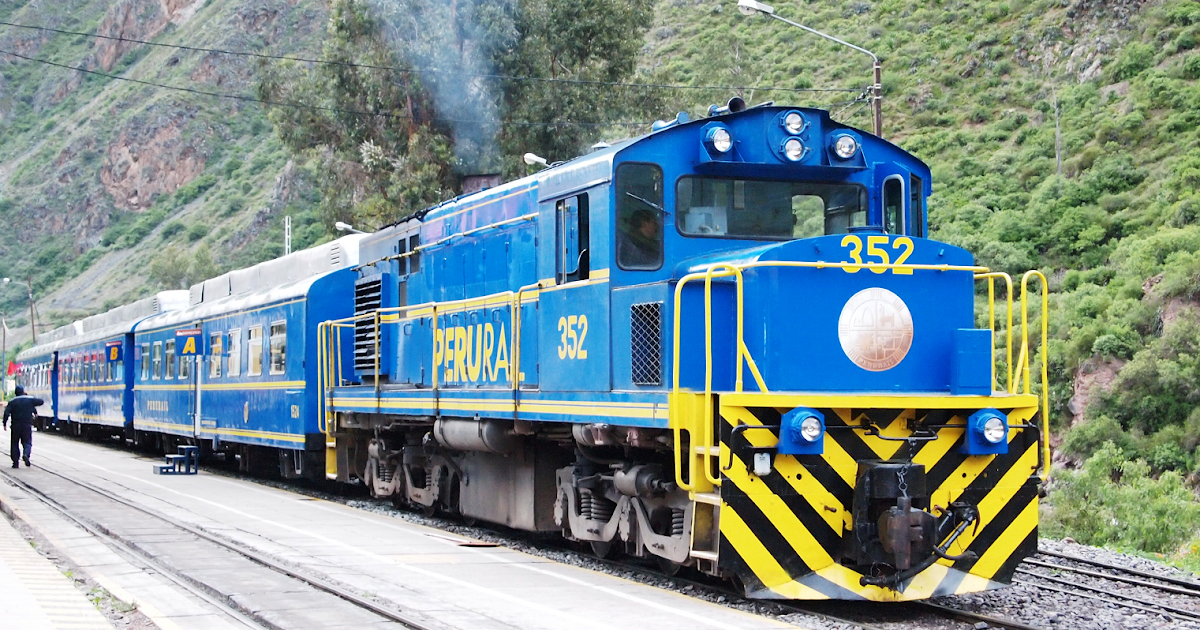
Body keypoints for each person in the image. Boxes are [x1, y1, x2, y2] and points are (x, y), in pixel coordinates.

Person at [3, 385, 43, 468]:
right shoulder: (29, 400)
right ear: (23, 391)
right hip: (26, 425)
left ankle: (15, 462)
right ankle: (26, 454)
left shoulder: (12, 401)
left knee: (14, 443)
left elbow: (6, 413)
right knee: (27, 442)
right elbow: (41, 401)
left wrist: (4, 423)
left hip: (15, 425)